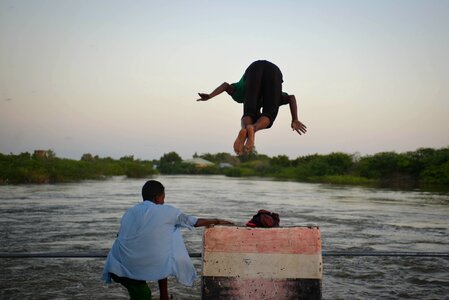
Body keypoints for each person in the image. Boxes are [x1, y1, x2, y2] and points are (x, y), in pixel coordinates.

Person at [102, 180, 233, 300]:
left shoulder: (130, 212)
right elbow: (193, 222)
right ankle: (163, 296)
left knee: (168, 236)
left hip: (115, 263)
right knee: (144, 295)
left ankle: (164, 296)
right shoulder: (168, 211)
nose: (164, 201)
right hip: (129, 267)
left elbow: (122, 236)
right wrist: (217, 221)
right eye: (163, 197)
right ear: (157, 197)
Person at [197, 60, 307, 155]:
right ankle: (253, 129)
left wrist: (210, 96)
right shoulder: (272, 97)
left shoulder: (241, 96)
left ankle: (246, 128)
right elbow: (291, 97)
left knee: (249, 111)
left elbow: (226, 85)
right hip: (273, 72)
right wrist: (294, 119)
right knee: (269, 113)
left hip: (254, 69)